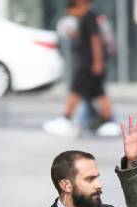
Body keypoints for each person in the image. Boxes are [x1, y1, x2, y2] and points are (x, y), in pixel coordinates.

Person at [43, 0, 120, 138]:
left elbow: (95, 40)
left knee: (76, 91)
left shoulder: (89, 17)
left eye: (72, 11)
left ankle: (65, 119)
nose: (72, 14)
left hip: (88, 64)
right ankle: (110, 123)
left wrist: (97, 62)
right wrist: (74, 34)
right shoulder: (87, 18)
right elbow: (86, 37)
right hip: (89, 63)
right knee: (99, 93)